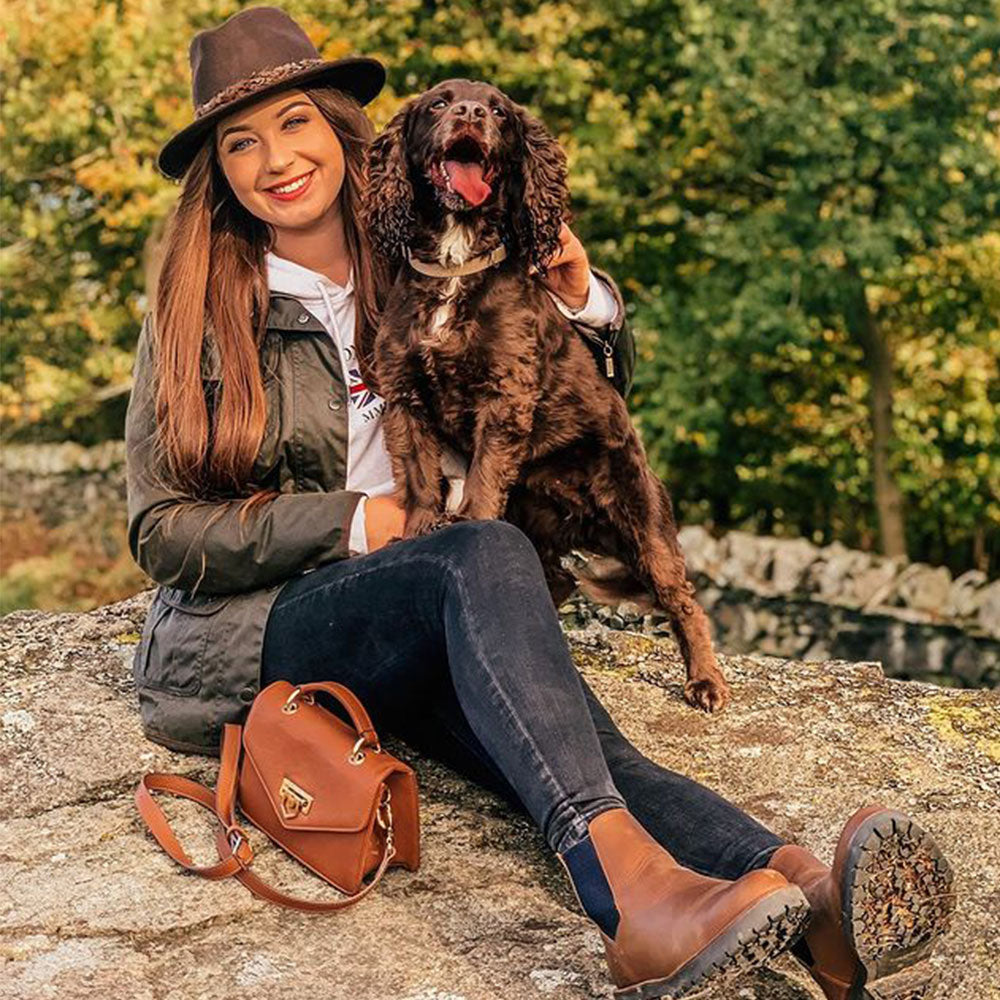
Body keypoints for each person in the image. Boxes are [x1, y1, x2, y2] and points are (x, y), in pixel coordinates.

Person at [127, 8, 955, 999]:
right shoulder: (205, 308)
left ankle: (808, 899)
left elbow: (571, 403)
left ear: (341, 129)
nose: (275, 159)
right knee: (476, 549)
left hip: (429, 606)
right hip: (276, 624)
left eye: (295, 123)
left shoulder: (429, 249)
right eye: (241, 143)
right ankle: (635, 904)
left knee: (580, 740)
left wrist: (583, 299)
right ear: (219, 171)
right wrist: (355, 521)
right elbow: (159, 529)